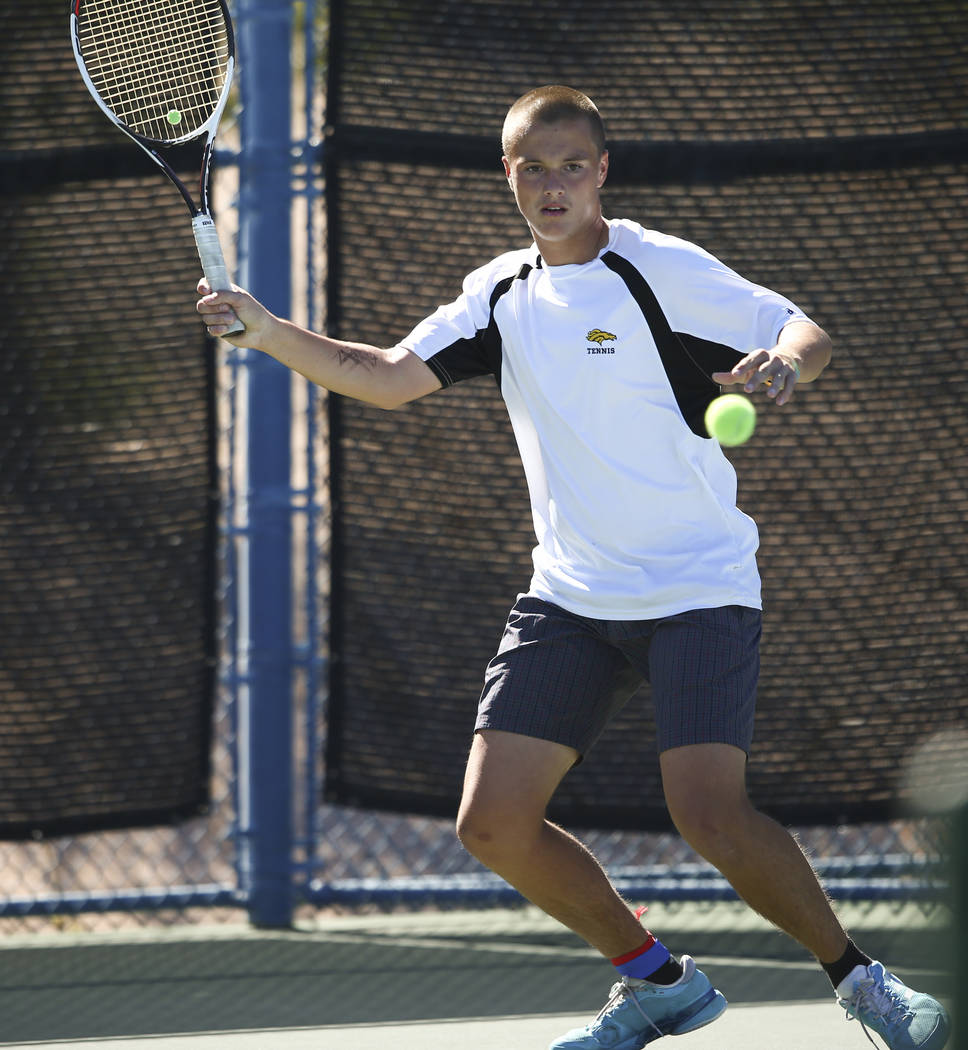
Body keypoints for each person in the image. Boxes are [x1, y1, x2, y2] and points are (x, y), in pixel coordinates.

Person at [197, 86, 950, 1050]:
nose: (552, 185)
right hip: (570, 596)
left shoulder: (659, 268)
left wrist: (782, 366)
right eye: (531, 167)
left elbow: (804, 327)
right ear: (507, 176)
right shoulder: (499, 294)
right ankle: (658, 982)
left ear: (601, 172)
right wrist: (265, 331)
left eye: (570, 165)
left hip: (697, 588)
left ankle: (860, 982)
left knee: (710, 814)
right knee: (492, 823)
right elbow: (384, 377)